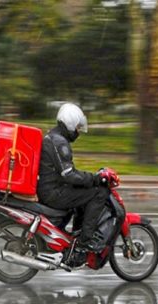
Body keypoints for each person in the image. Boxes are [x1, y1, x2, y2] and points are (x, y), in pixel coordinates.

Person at [37, 103, 110, 253]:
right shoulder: (59, 142)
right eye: (77, 127)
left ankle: (69, 236)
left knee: (83, 190)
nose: (78, 132)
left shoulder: (54, 137)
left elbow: (68, 173)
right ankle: (84, 242)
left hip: (51, 188)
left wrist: (88, 179)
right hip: (53, 192)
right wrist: (94, 178)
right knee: (98, 192)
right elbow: (69, 174)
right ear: (69, 123)